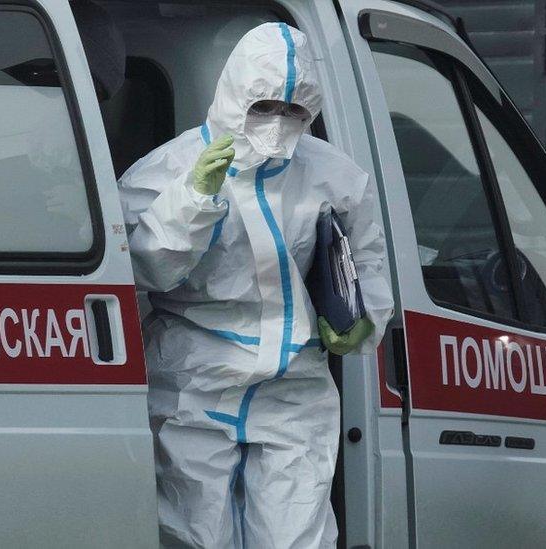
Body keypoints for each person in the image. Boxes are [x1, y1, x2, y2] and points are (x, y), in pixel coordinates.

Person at [118, 22, 393, 548]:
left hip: (294, 389)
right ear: (234, 96)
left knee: (298, 539)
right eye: (264, 106)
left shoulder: (332, 174)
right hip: (195, 381)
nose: (277, 123)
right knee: (197, 536)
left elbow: (368, 257)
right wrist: (192, 201)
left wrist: (366, 319)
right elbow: (142, 271)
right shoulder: (166, 171)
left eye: (294, 111)